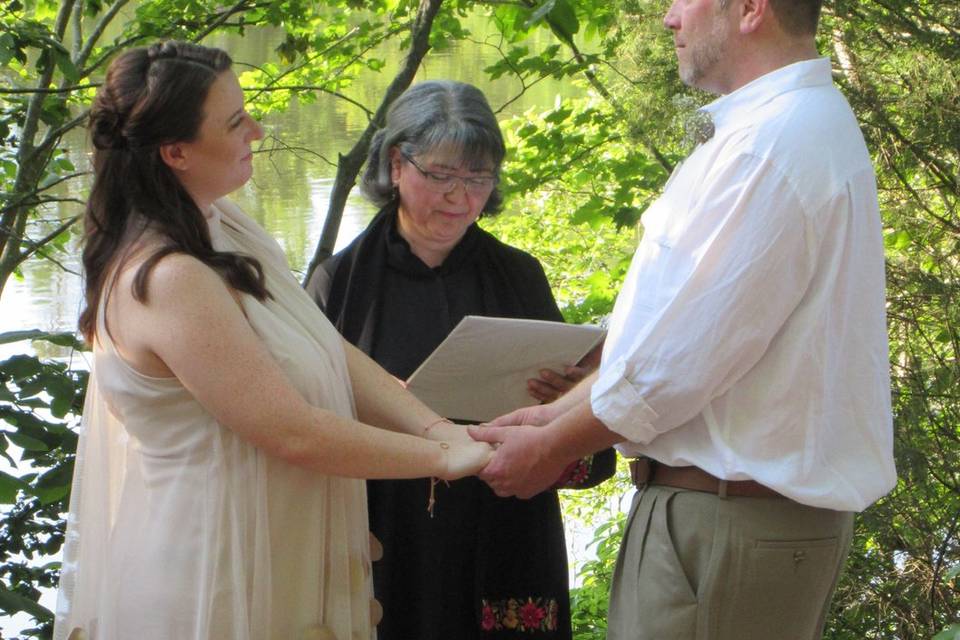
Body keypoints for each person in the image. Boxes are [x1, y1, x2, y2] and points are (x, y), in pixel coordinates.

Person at [470, 0, 897, 638]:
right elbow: (671, 339)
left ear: (751, 9)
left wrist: (551, 447)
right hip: (719, 520)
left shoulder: (771, 148)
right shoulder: (774, 131)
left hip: (727, 525)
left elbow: (676, 366)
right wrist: (550, 414)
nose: (669, 17)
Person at [54, 42, 493, 640]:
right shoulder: (168, 276)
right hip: (212, 582)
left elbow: (329, 350)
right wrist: (445, 460)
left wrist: (438, 427)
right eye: (235, 122)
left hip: (269, 555)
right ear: (175, 151)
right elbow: (290, 429)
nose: (256, 132)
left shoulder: (226, 225)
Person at [306, 80, 614, 640]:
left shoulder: (519, 275)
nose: (459, 197)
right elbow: (300, 422)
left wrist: (567, 397)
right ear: (397, 164)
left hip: (505, 525)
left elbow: (587, 434)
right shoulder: (339, 285)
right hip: (388, 528)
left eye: (478, 179)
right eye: (442, 175)